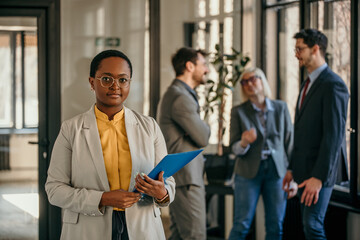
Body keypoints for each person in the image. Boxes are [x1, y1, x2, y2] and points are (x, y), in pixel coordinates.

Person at [45, 49, 175, 240]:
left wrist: (162, 192)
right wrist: (103, 198)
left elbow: (168, 183)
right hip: (89, 226)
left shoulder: (149, 127)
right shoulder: (71, 129)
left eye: (123, 80)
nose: (115, 86)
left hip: (142, 226)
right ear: (92, 82)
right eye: (107, 79)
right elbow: (54, 190)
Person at [282, 29, 349, 239]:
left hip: (319, 174)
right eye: (296, 49)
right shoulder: (307, 83)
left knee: (312, 224)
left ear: (315, 49)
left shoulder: (333, 84)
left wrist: (319, 178)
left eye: (300, 49)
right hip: (304, 170)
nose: (296, 54)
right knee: (308, 224)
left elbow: (334, 136)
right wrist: (292, 167)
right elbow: (301, 131)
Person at [228, 67, 294, 240]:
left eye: (253, 79)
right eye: (244, 82)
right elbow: (233, 148)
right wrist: (244, 142)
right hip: (247, 173)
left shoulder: (281, 108)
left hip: (277, 171)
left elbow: (290, 143)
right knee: (241, 224)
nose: (249, 84)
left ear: (262, 81)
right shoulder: (238, 111)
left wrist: (292, 173)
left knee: (275, 226)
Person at [157, 47, 211, 240]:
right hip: (187, 179)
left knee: (179, 236)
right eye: (203, 64)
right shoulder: (181, 97)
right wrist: (204, 126)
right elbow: (203, 136)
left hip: (181, 178)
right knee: (195, 235)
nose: (207, 70)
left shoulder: (177, 93)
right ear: (190, 66)